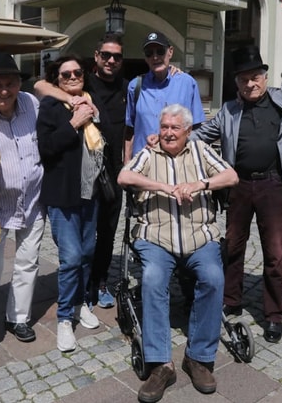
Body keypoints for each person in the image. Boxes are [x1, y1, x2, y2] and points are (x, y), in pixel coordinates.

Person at [191, 46, 282, 343]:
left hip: (274, 185)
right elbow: (200, 135)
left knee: (275, 253)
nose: (250, 84)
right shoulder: (229, 111)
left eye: (255, 77)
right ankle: (232, 299)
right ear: (236, 83)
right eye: (244, 79)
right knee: (233, 245)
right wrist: (168, 137)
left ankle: (273, 315)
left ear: (265, 76)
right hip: (239, 185)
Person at [118, 104, 238, 403]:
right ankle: (161, 364)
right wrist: (166, 188)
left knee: (212, 278)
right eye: (165, 127)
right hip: (156, 239)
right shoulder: (149, 152)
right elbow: (124, 177)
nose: (169, 133)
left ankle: (198, 357)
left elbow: (231, 176)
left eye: (175, 128)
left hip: (200, 237)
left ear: (188, 131)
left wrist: (200, 184)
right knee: (153, 279)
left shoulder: (200, 151)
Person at [35, 33, 127, 308]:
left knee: (100, 239)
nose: (111, 60)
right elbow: (40, 84)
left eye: (117, 56)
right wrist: (72, 107)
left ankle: (94, 290)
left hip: (105, 179)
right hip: (72, 186)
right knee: (76, 251)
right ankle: (71, 305)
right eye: (106, 55)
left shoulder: (116, 88)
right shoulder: (68, 98)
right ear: (96, 57)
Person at [36, 55, 106, 352]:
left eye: (77, 72)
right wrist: (74, 124)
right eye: (66, 75)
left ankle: (80, 303)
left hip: (90, 193)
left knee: (88, 252)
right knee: (72, 258)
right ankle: (65, 318)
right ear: (58, 80)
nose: (73, 77)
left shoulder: (93, 104)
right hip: (63, 196)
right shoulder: (51, 108)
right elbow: (46, 149)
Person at [0, 52, 45, 343]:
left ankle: (19, 318)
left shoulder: (32, 103)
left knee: (28, 262)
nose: (4, 91)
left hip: (32, 200)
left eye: (10, 83)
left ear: (19, 84)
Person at [124, 31, 205, 161]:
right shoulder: (135, 85)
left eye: (160, 51)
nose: (155, 57)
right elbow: (130, 130)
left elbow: (197, 129)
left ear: (170, 52)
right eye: (149, 53)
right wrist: (127, 164)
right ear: (145, 58)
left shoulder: (187, 84)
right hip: (142, 164)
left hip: (177, 163)